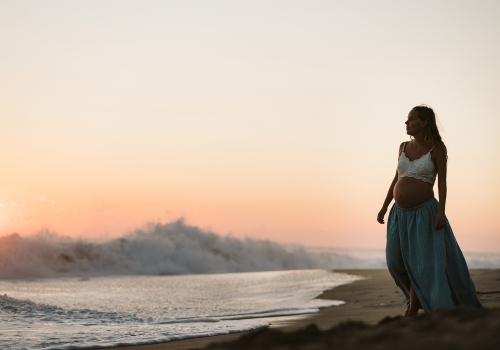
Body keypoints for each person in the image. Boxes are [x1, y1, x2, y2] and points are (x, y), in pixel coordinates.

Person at [377, 105, 483, 317]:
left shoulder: (437, 150)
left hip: (424, 214)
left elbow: (442, 184)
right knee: (395, 262)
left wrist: (441, 211)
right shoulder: (403, 147)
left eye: (411, 119)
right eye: (407, 119)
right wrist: (385, 205)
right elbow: (396, 178)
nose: (406, 123)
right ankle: (416, 299)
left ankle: (413, 310)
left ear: (424, 122)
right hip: (399, 215)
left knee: (421, 263)